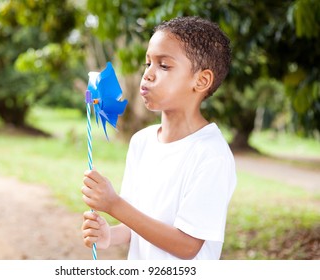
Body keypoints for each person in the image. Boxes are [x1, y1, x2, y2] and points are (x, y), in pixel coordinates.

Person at [81, 16, 236, 260]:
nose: (148, 75)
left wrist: (113, 205)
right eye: (148, 63)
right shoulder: (141, 142)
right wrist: (109, 235)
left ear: (201, 80)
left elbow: (188, 246)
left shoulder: (211, 154)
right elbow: (136, 223)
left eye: (164, 66)